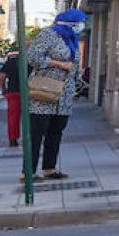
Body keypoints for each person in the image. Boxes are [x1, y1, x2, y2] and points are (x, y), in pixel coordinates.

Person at [24, 10, 86, 182]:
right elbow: (32, 57)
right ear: (68, 23)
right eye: (79, 22)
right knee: (37, 132)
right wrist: (58, 64)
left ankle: (49, 168)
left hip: (64, 94)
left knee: (56, 131)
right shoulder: (49, 34)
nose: (81, 26)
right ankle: (28, 171)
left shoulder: (72, 40)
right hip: (45, 89)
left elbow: (73, 65)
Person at [0, 49, 22, 147]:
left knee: (13, 117)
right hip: (30, 92)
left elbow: (2, 77)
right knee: (32, 117)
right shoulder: (31, 61)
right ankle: (33, 137)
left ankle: (13, 139)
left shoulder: (10, 62)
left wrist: (4, 89)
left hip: (13, 92)